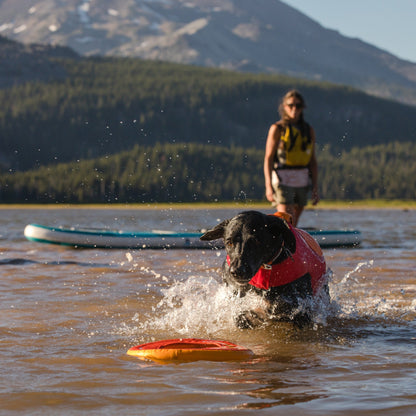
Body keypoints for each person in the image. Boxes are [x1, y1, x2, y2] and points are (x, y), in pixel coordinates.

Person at [264, 90, 319, 226]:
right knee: (286, 218)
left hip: (302, 178)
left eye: (298, 106)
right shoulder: (277, 128)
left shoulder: (308, 130)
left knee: (293, 222)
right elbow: (268, 158)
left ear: (302, 108)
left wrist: (315, 187)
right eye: (291, 105)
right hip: (282, 176)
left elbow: (312, 161)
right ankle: (280, 242)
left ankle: (289, 244)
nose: (294, 109)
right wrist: (268, 185)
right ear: (284, 107)